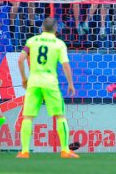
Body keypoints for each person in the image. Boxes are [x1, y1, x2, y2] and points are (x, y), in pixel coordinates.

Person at [16, 17, 78, 159]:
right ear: (55, 29)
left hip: (34, 82)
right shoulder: (59, 44)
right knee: (60, 116)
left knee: (28, 117)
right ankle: (65, 151)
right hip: (50, 83)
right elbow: (65, 65)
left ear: (42, 28)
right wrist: (70, 83)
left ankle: (24, 151)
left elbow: (20, 59)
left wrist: (24, 78)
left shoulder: (32, 41)